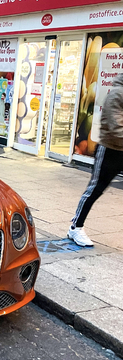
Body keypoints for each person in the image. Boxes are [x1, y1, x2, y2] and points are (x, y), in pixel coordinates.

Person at [69, 73, 123, 247]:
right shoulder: (117, 93)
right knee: (95, 189)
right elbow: (117, 127)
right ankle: (75, 227)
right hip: (110, 150)